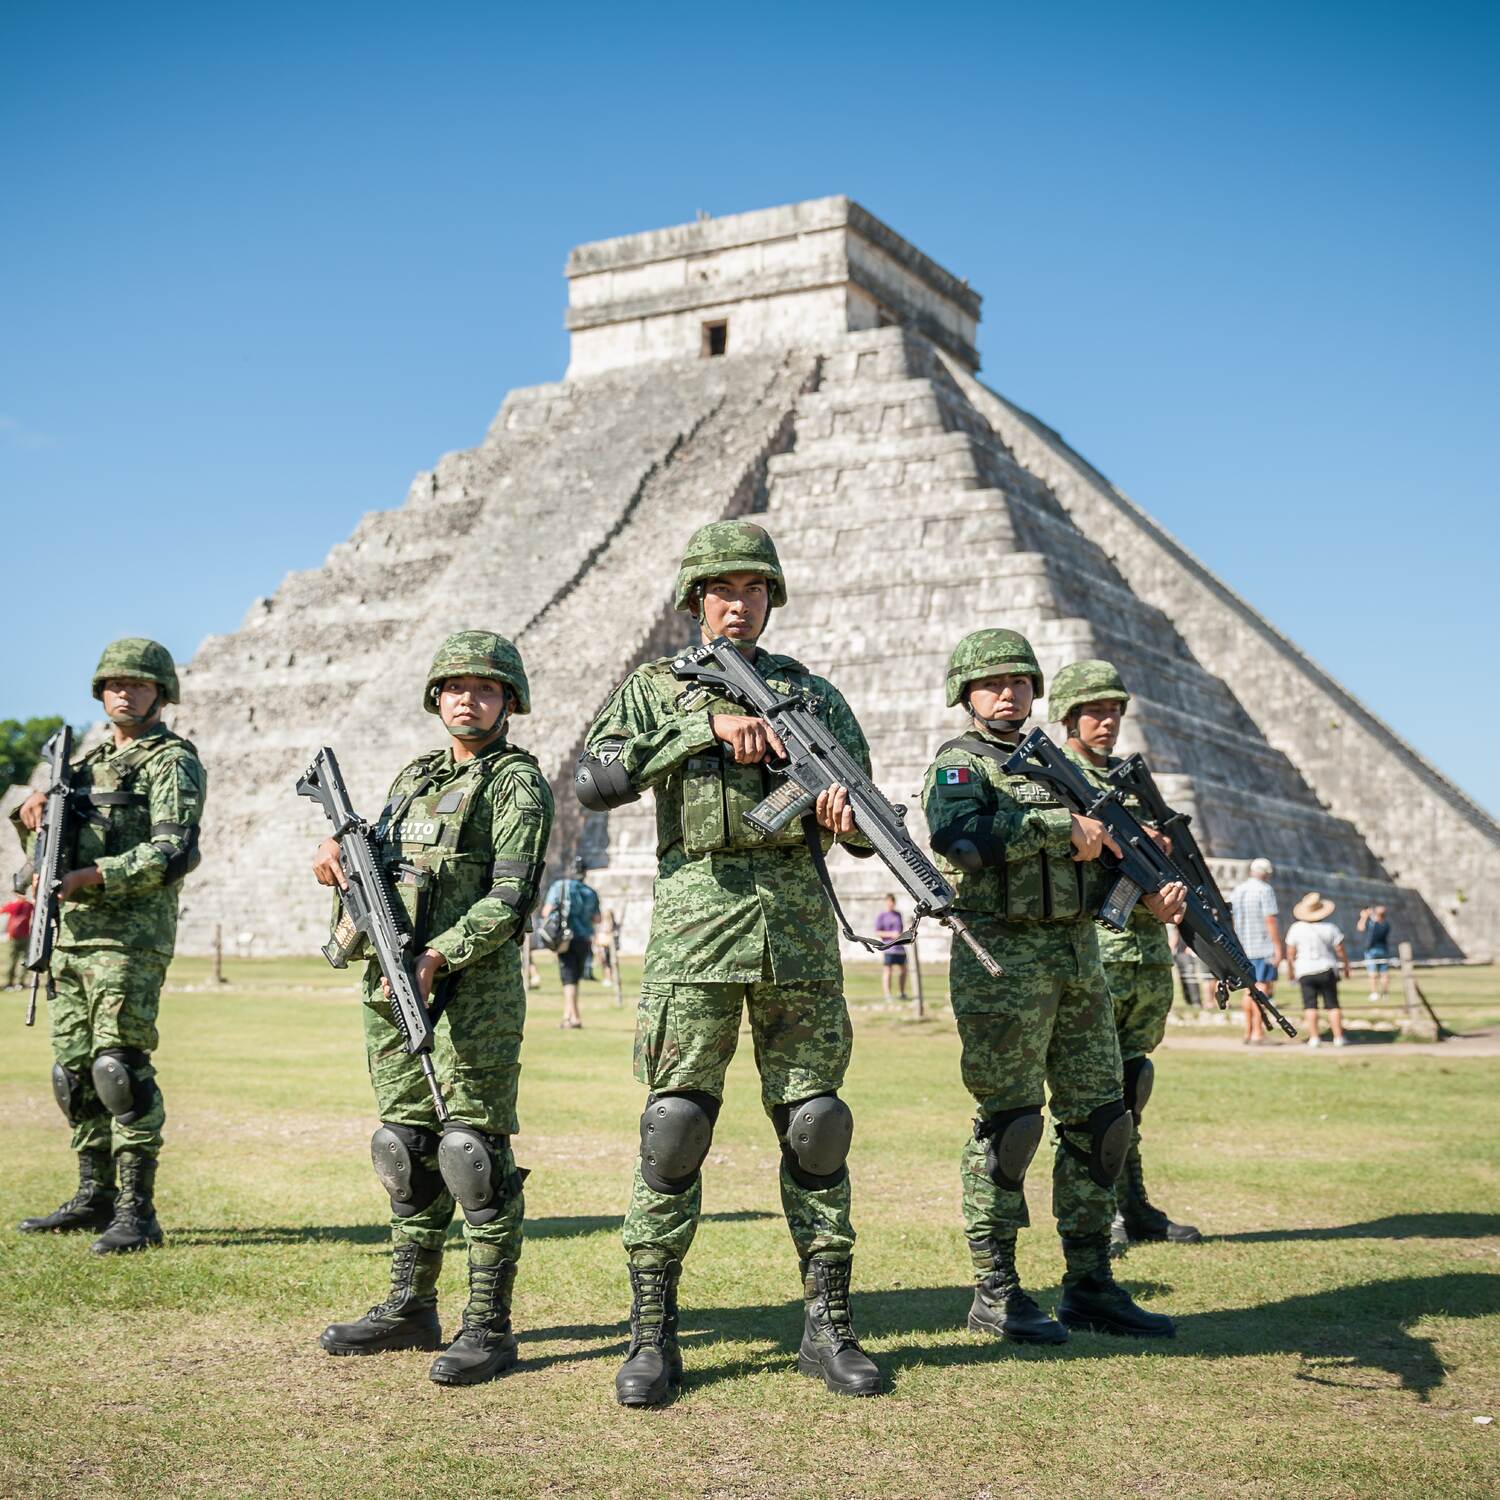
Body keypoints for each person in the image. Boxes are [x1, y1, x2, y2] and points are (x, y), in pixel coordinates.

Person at [577, 520, 884, 1405]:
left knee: (818, 1130)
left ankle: (828, 1329)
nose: (738, 603)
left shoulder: (814, 696)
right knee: (673, 1133)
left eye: (754, 590)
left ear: (771, 599)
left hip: (797, 945)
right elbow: (596, 780)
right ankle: (651, 1338)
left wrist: (845, 821)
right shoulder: (656, 687)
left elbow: (866, 818)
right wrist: (700, 728)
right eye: (722, 590)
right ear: (696, 600)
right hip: (695, 938)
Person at [922, 629, 1179, 1347]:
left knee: (1102, 1123)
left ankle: (1090, 1283)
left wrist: (1149, 888)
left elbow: (1099, 865)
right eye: (992, 684)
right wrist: (1058, 825)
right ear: (966, 694)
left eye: (1021, 683)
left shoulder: (1071, 771)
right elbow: (961, 838)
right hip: (1003, 962)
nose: (1008, 695)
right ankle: (996, 1290)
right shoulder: (959, 766)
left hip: (1078, 960)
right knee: (1011, 1126)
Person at [312, 631, 553, 1386]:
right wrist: (336, 857)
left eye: (485, 688)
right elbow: (379, 861)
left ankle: (488, 1327)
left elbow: (511, 899)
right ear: (435, 697)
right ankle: (412, 1307)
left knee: (471, 1157)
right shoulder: (414, 780)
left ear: (508, 700)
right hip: (392, 984)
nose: (467, 699)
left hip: (468, 993)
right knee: (405, 1149)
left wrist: (439, 955)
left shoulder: (516, 784)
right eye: (455, 687)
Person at [13, 639, 205, 1253]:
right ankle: (93, 1195)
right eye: (115, 684)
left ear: (161, 692)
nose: (125, 692)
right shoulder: (82, 765)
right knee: (73, 1073)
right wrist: (31, 821)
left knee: (117, 1067)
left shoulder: (170, 762)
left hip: (130, 938)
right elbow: (44, 862)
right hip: (70, 939)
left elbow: (172, 850)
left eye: (139, 683)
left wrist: (95, 876)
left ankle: (136, 1209)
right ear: (101, 691)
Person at [1049, 659, 1199, 1252]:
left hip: (1145, 955)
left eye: (1113, 710)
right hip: (1097, 956)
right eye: (1094, 710)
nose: (1106, 721)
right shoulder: (1059, 782)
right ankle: (1102, 1211)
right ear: (1068, 716)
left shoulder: (1134, 786)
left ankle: (1135, 1206)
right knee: (1095, 1092)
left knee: (1132, 1085)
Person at [540, 857, 600, 1028]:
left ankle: (575, 1018)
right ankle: (567, 1016)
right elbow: (597, 918)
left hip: (565, 938)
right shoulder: (590, 892)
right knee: (574, 978)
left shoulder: (559, 887)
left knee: (568, 978)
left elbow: (546, 912)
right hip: (584, 939)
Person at [1228, 857, 1283, 1044]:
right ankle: (1258, 1033)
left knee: (1248, 991)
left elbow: (1230, 919)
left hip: (1244, 948)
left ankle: (1248, 1031)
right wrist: (1277, 946)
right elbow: (1270, 920)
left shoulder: (1238, 890)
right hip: (1262, 947)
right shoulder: (1264, 890)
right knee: (1262, 990)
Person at [1285, 893, 1351, 1047]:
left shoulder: (1296, 928)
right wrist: (1346, 965)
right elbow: (1340, 950)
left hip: (1305, 969)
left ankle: (1314, 1038)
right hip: (1326, 968)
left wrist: (1290, 970)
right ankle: (1338, 1037)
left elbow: (1290, 953)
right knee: (1332, 1004)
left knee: (1310, 1005)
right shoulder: (1330, 928)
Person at [874, 894, 907, 999]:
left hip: (899, 948)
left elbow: (900, 930)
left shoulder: (898, 915)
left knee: (903, 971)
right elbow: (877, 932)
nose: (890, 904)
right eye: (888, 902)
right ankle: (887, 994)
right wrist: (891, 934)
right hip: (888, 948)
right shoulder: (882, 916)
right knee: (888, 971)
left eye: (892, 902)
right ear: (886, 903)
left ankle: (901, 993)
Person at [1358, 904, 1392, 1002]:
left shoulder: (1374, 924)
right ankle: (1385, 994)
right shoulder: (1386, 924)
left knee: (1372, 974)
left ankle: (1374, 993)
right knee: (1384, 973)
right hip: (1383, 950)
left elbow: (1360, 928)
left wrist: (1364, 917)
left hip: (1371, 951)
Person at [3, 891, 33, 988]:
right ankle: (21, 982)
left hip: (14, 936)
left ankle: (9, 982)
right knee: (24, 959)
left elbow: (3, 910)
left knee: (12, 959)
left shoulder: (15, 905)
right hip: (25, 935)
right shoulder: (28, 905)